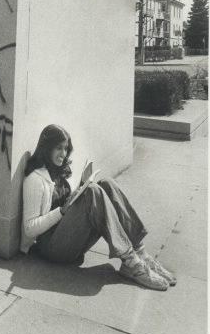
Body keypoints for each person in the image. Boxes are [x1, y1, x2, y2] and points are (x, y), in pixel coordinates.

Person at [21, 124, 176, 291]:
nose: (63, 154)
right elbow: (29, 228)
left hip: (70, 238)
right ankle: (131, 261)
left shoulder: (61, 171)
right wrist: (62, 211)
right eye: (58, 148)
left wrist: (80, 189)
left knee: (106, 183)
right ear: (46, 148)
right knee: (93, 191)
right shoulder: (35, 179)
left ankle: (141, 254)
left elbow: (70, 207)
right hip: (52, 248)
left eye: (66, 148)